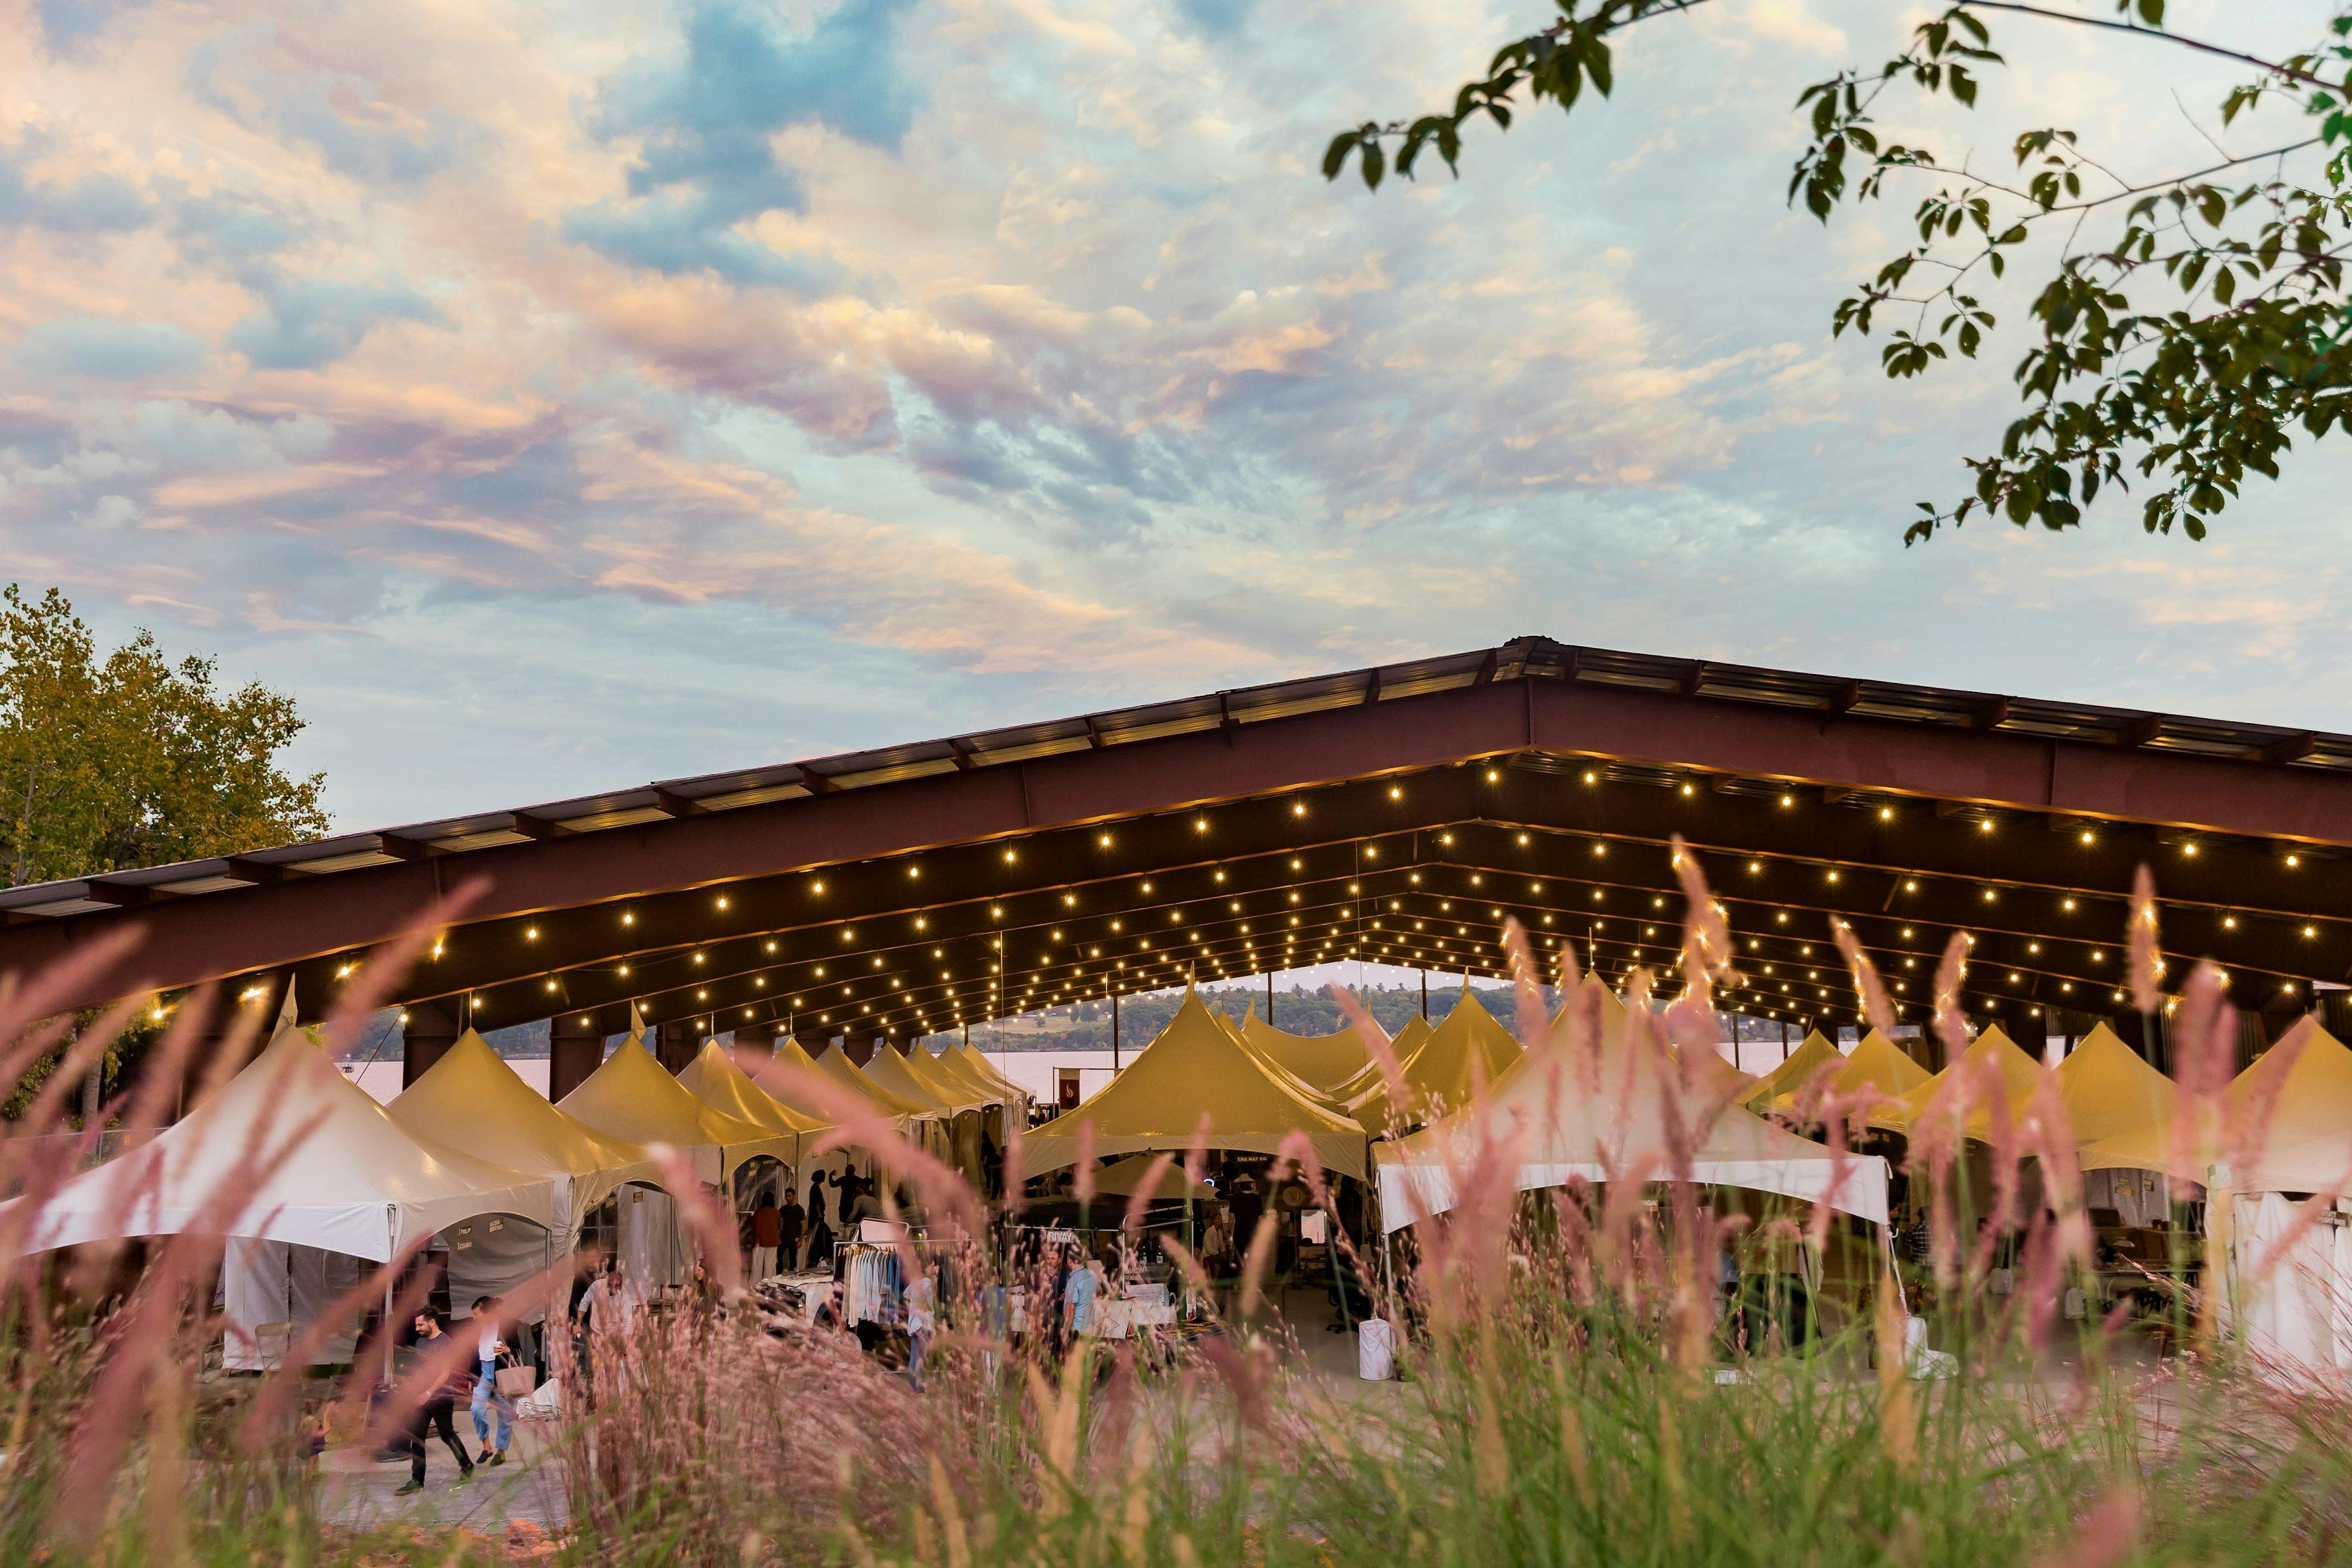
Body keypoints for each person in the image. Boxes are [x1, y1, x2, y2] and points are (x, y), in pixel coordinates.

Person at [394, 1309, 475, 1495]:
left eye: (420, 1324)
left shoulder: (445, 1343)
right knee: (417, 1436)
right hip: (423, 1397)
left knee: (447, 1434)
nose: (417, 1328)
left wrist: (429, 1392)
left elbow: (445, 1373)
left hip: (442, 1396)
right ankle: (417, 1481)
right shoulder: (420, 1343)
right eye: (416, 1325)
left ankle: (467, 1465)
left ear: (432, 1323)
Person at [468, 1297, 514, 1467]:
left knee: (505, 1414)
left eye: (476, 1314)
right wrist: (471, 1378)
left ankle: (501, 1451)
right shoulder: (476, 1330)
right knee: (476, 1409)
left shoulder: (506, 1326)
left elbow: (519, 1349)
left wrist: (507, 1350)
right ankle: (486, 1445)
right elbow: (472, 1355)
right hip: (484, 1375)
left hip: (501, 1374)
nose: (474, 1317)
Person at [904, 1260, 938, 1392]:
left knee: (914, 1355)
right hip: (924, 1323)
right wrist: (929, 1308)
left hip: (914, 1324)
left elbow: (905, 1295)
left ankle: (913, 1384)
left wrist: (912, 1303)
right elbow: (926, 1301)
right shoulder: (927, 1282)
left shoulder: (914, 1282)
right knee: (922, 1357)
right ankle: (920, 1386)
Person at [1063, 1247, 1102, 1355]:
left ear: (1069, 1261)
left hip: (1076, 1331)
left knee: (1074, 1363)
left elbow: (1070, 1309)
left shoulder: (1073, 1281)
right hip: (1089, 1328)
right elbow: (1100, 1292)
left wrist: (1066, 1333)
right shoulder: (1092, 1276)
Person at [749, 1194, 782, 1281]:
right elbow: (779, 1227)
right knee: (770, 1267)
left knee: (757, 1266)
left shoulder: (758, 1212)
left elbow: (752, 1227)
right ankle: (770, 1285)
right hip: (773, 1241)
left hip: (759, 1242)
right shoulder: (776, 1212)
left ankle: (755, 1287)